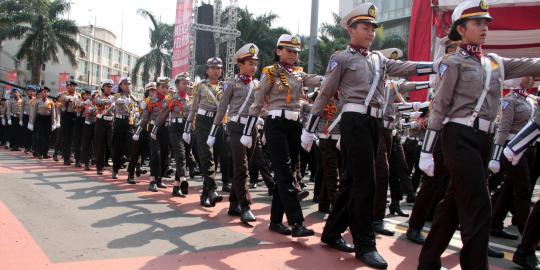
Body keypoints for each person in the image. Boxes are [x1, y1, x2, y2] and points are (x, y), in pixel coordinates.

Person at [304, 3, 436, 268]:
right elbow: (326, 93)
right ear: (351, 30)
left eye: (373, 28)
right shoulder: (340, 58)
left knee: (353, 180)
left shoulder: (379, 59)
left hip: (375, 123)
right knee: (367, 182)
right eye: (366, 27)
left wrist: (436, 66)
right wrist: (310, 128)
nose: (371, 32)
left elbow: (406, 68)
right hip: (354, 120)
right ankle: (365, 245)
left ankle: (331, 233)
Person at [417, 1, 540, 269]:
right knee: (479, 205)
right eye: (477, 24)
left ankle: (427, 261)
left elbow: (531, 64)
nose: (484, 28)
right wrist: (427, 150)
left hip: (483, 139)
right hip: (458, 136)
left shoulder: (494, 63)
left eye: (486, 23)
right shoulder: (452, 63)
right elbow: (439, 107)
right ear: (461, 29)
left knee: (452, 204)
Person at [240, 34, 322, 237]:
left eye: (295, 52)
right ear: (278, 52)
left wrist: (336, 75)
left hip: (294, 125)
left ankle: (276, 221)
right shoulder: (269, 73)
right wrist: (248, 131)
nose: (293, 55)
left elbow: (317, 80)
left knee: (288, 173)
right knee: (285, 173)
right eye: (289, 50)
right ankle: (296, 222)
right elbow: (257, 103)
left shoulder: (299, 74)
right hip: (275, 123)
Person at [208, 43, 260, 222]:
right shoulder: (231, 84)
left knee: (245, 166)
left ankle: (233, 204)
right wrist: (213, 132)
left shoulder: (258, 84)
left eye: (255, 63)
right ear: (240, 64)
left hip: (252, 128)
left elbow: (262, 107)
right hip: (236, 128)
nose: (254, 67)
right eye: (250, 63)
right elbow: (222, 109)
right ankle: (245, 206)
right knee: (242, 167)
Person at [183, 57, 225, 207]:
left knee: (217, 156)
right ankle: (212, 190)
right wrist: (187, 129)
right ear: (207, 70)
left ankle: (205, 194)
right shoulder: (199, 86)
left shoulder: (224, 86)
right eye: (213, 68)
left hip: (218, 122)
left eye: (219, 68)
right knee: (207, 156)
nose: (216, 70)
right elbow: (193, 108)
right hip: (202, 121)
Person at [134, 77, 171, 191]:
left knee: (165, 155)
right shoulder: (151, 101)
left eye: (167, 87)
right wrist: (138, 132)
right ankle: (152, 181)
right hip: (153, 128)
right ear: (157, 88)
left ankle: (159, 179)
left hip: (166, 129)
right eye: (162, 87)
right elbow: (145, 118)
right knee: (156, 154)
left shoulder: (170, 100)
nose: (165, 89)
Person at [168, 72, 191, 196]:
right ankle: (183, 179)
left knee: (185, 155)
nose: (187, 85)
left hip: (186, 128)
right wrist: (155, 127)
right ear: (177, 85)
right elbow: (164, 113)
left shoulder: (190, 99)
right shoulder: (172, 98)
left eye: (188, 83)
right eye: (184, 83)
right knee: (180, 154)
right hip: (175, 127)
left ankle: (176, 187)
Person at [111, 77, 137, 179]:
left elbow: (137, 106)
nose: (128, 86)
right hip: (119, 122)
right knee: (118, 146)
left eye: (129, 84)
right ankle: (115, 169)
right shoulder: (117, 95)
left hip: (130, 122)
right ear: (121, 86)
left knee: (131, 146)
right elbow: (115, 100)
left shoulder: (132, 97)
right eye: (125, 84)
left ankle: (131, 172)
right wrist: (126, 100)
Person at [28, 86, 56, 159]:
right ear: (41, 93)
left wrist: (54, 123)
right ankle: (39, 153)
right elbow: (34, 112)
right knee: (40, 137)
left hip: (48, 120)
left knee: (47, 137)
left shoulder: (51, 102)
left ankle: (45, 153)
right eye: (44, 91)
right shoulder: (37, 101)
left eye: (47, 92)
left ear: (48, 93)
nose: (45, 93)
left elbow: (53, 113)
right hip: (39, 119)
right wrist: (31, 122)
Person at [94, 80, 115, 175]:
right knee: (100, 145)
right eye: (107, 86)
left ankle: (116, 165)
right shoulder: (98, 95)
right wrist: (108, 101)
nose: (109, 88)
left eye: (110, 86)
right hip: (101, 121)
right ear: (103, 87)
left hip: (111, 122)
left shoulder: (114, 96)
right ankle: (99, 167)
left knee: (112, 143)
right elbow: (97, 102)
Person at [58, 79, 81, 165]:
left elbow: (79, 102)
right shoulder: (63, 94)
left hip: (75, 116)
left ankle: (71, 156)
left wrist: (75, 99)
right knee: (66, 138)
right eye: (70, 86)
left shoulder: (78, 95)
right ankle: (66, 157)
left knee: (74, 137)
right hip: (66, 116)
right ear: (67, 87)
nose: (72, 88)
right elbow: (65, 98)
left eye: (73, 86)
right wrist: (74, 98)